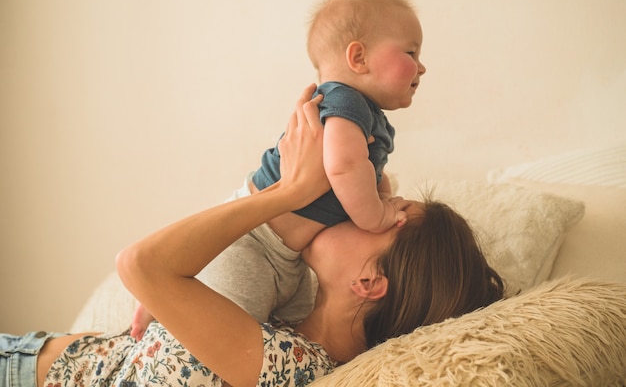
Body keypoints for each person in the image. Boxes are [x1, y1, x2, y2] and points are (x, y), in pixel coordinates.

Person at [0, 86, 504, 387]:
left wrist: (290, 192)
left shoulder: (288, 367)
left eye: (384, 215)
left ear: (370, 282)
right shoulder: (297, 307)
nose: (367, 203)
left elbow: (139, 265)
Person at [131, 0, 428, 339]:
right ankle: (157, 322)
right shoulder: (344, 103)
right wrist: (377, 215)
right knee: (226, 329)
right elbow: (342, 167)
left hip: (288, 256)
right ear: (358, 58)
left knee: (284, 328)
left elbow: (367, 171)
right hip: (255, 242)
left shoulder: (368, 116)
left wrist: (382, 193)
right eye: (411, 52)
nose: (421, 68)